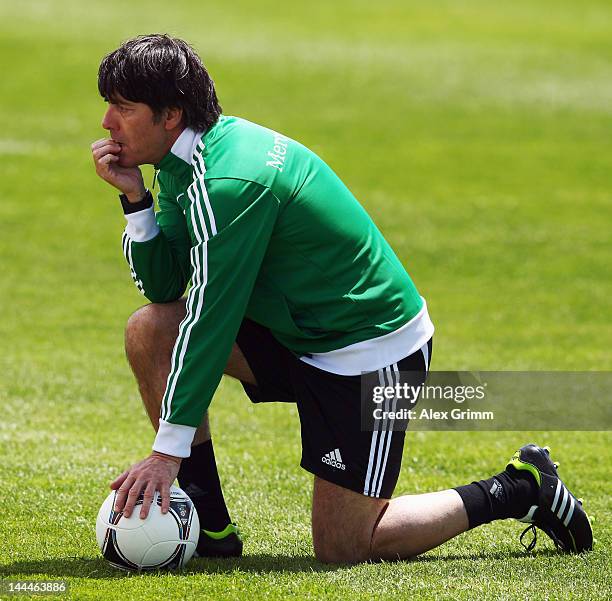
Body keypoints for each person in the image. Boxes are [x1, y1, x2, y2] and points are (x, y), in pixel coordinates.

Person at [91, 34, 592, 562]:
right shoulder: (180, 164)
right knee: (151, 330)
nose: (107, 122)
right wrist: (135, 200)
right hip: (298, 334)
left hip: (369, 354)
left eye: (123, 107)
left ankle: (522, 487)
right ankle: (210, 528)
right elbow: (167, 290)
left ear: (171, 115)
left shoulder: (232, 182)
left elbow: (210, 319)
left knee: (346, 546)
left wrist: (166, 453)